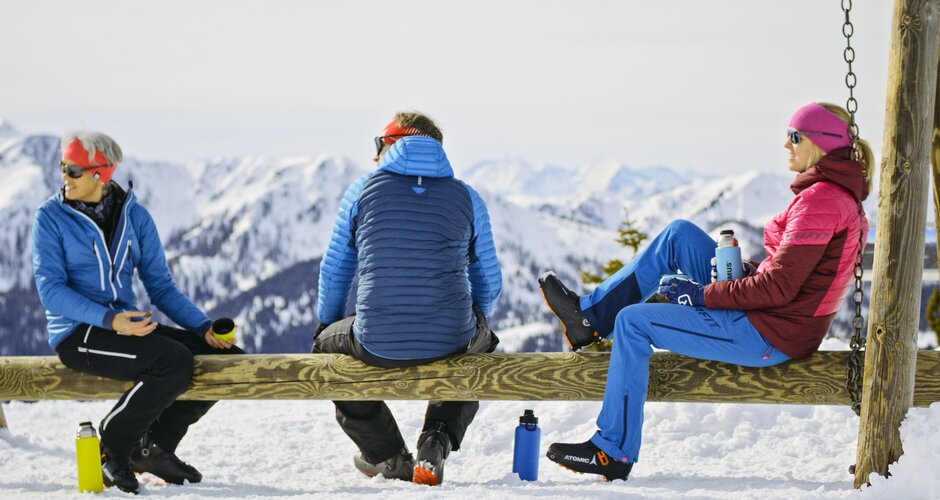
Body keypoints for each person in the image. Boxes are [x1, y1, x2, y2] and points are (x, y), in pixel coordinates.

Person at [539, 102, 872, 481]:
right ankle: (590, 318)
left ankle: (611, 450)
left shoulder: (821, 201)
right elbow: (792, 277)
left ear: (821, 143)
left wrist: (699, 296)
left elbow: (780, 288)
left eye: (795, 136)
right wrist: (743, 273)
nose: (786, 145)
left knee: (633, 323)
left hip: (767, 332)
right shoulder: (829, 197)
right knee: (678, 236)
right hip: (773, 316)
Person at [31, 131, 244, 493]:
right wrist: (109, 319)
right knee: (172, 361)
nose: (63, 177)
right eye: (62, 167)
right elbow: (50, 291)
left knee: (225, 359)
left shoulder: (135, 217)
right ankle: (111, 448)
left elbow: (159, 286)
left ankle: (151, 447)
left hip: (123, 326)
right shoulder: (50, 217)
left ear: (101, 173)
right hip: (77, 332)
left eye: (73, 170)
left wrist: (203, 327)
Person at [314, 111, 502, 486]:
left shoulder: (362, 191)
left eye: (378, 145)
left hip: (375, 340)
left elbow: (335, 272)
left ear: (392, 143)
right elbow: (489, 281)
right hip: (453, 337)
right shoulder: (467, 196)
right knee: (482, 347)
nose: (374, 156)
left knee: (325, 350)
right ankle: (437, 438)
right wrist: (474, 319)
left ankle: (387, 456)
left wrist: (327, 324)